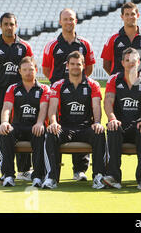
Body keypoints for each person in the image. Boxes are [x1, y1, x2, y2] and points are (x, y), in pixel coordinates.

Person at [42, 8, 96, 182]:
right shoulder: (52, 45)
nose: (68, 22)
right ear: (60, 22)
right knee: (56, 126)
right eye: (65, 19)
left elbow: (89, 67)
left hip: (80, 89)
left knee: (81, 121)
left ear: (76, 21)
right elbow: (46, 69)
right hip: (58, 91)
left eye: (71, 19)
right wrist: (59, 83)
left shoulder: (85, 44)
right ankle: (52, 169)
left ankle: (79, 170)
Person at [42, 51, 106, 189]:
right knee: (51, 133)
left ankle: (98, 177)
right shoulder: (58, 85)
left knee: (99, 133)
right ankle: (51, 177)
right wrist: (53, 122)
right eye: (72, 64)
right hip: (64, 128)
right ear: (67, 66)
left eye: (78, 64)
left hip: (85, 128)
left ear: (83, 65)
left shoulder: (93, 85)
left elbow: (96, 106)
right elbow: (52, 109)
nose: (75, 67)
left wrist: (97, 123)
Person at [0, 12, 33, 181]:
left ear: (16, 26)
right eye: (5, 24)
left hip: (20, 93)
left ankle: (24, 170)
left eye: (11, 24)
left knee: (21, 128)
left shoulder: (24, 47)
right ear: (0, 26)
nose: (9, 27)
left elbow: (29, 68)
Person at [104, 48, 141, 190]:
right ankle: (114, 177)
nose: (130, 63)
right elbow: (108, 101)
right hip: (120, 125)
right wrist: (112, 118)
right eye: (127, 61)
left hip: (138, 125)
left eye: (133, 61)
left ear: (139, 62)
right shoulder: (114, 79)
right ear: (122, 63)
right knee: (112, 127)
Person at [0, 57, 49, 187]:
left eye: (31, 69)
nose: (28, 72)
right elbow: (7, 108)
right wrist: (4, 122)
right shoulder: (13, 88)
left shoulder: (44, 88)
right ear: (19, 71)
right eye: (24, 70)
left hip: (34, 126)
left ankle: (37, 176)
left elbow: (43, 108)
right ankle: (8, 175)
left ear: (36, 70)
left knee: (40, 134)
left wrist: (39, 123)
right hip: (18, 126)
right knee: (5, 133)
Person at [101, 2, 141, 76]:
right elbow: (106, 65)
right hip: (118, 83)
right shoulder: (113, 39)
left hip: (140, 83)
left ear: (137, 15)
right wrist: (118, 78)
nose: (130, 17)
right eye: (127, 14)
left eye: (132, 14)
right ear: (122, 17)